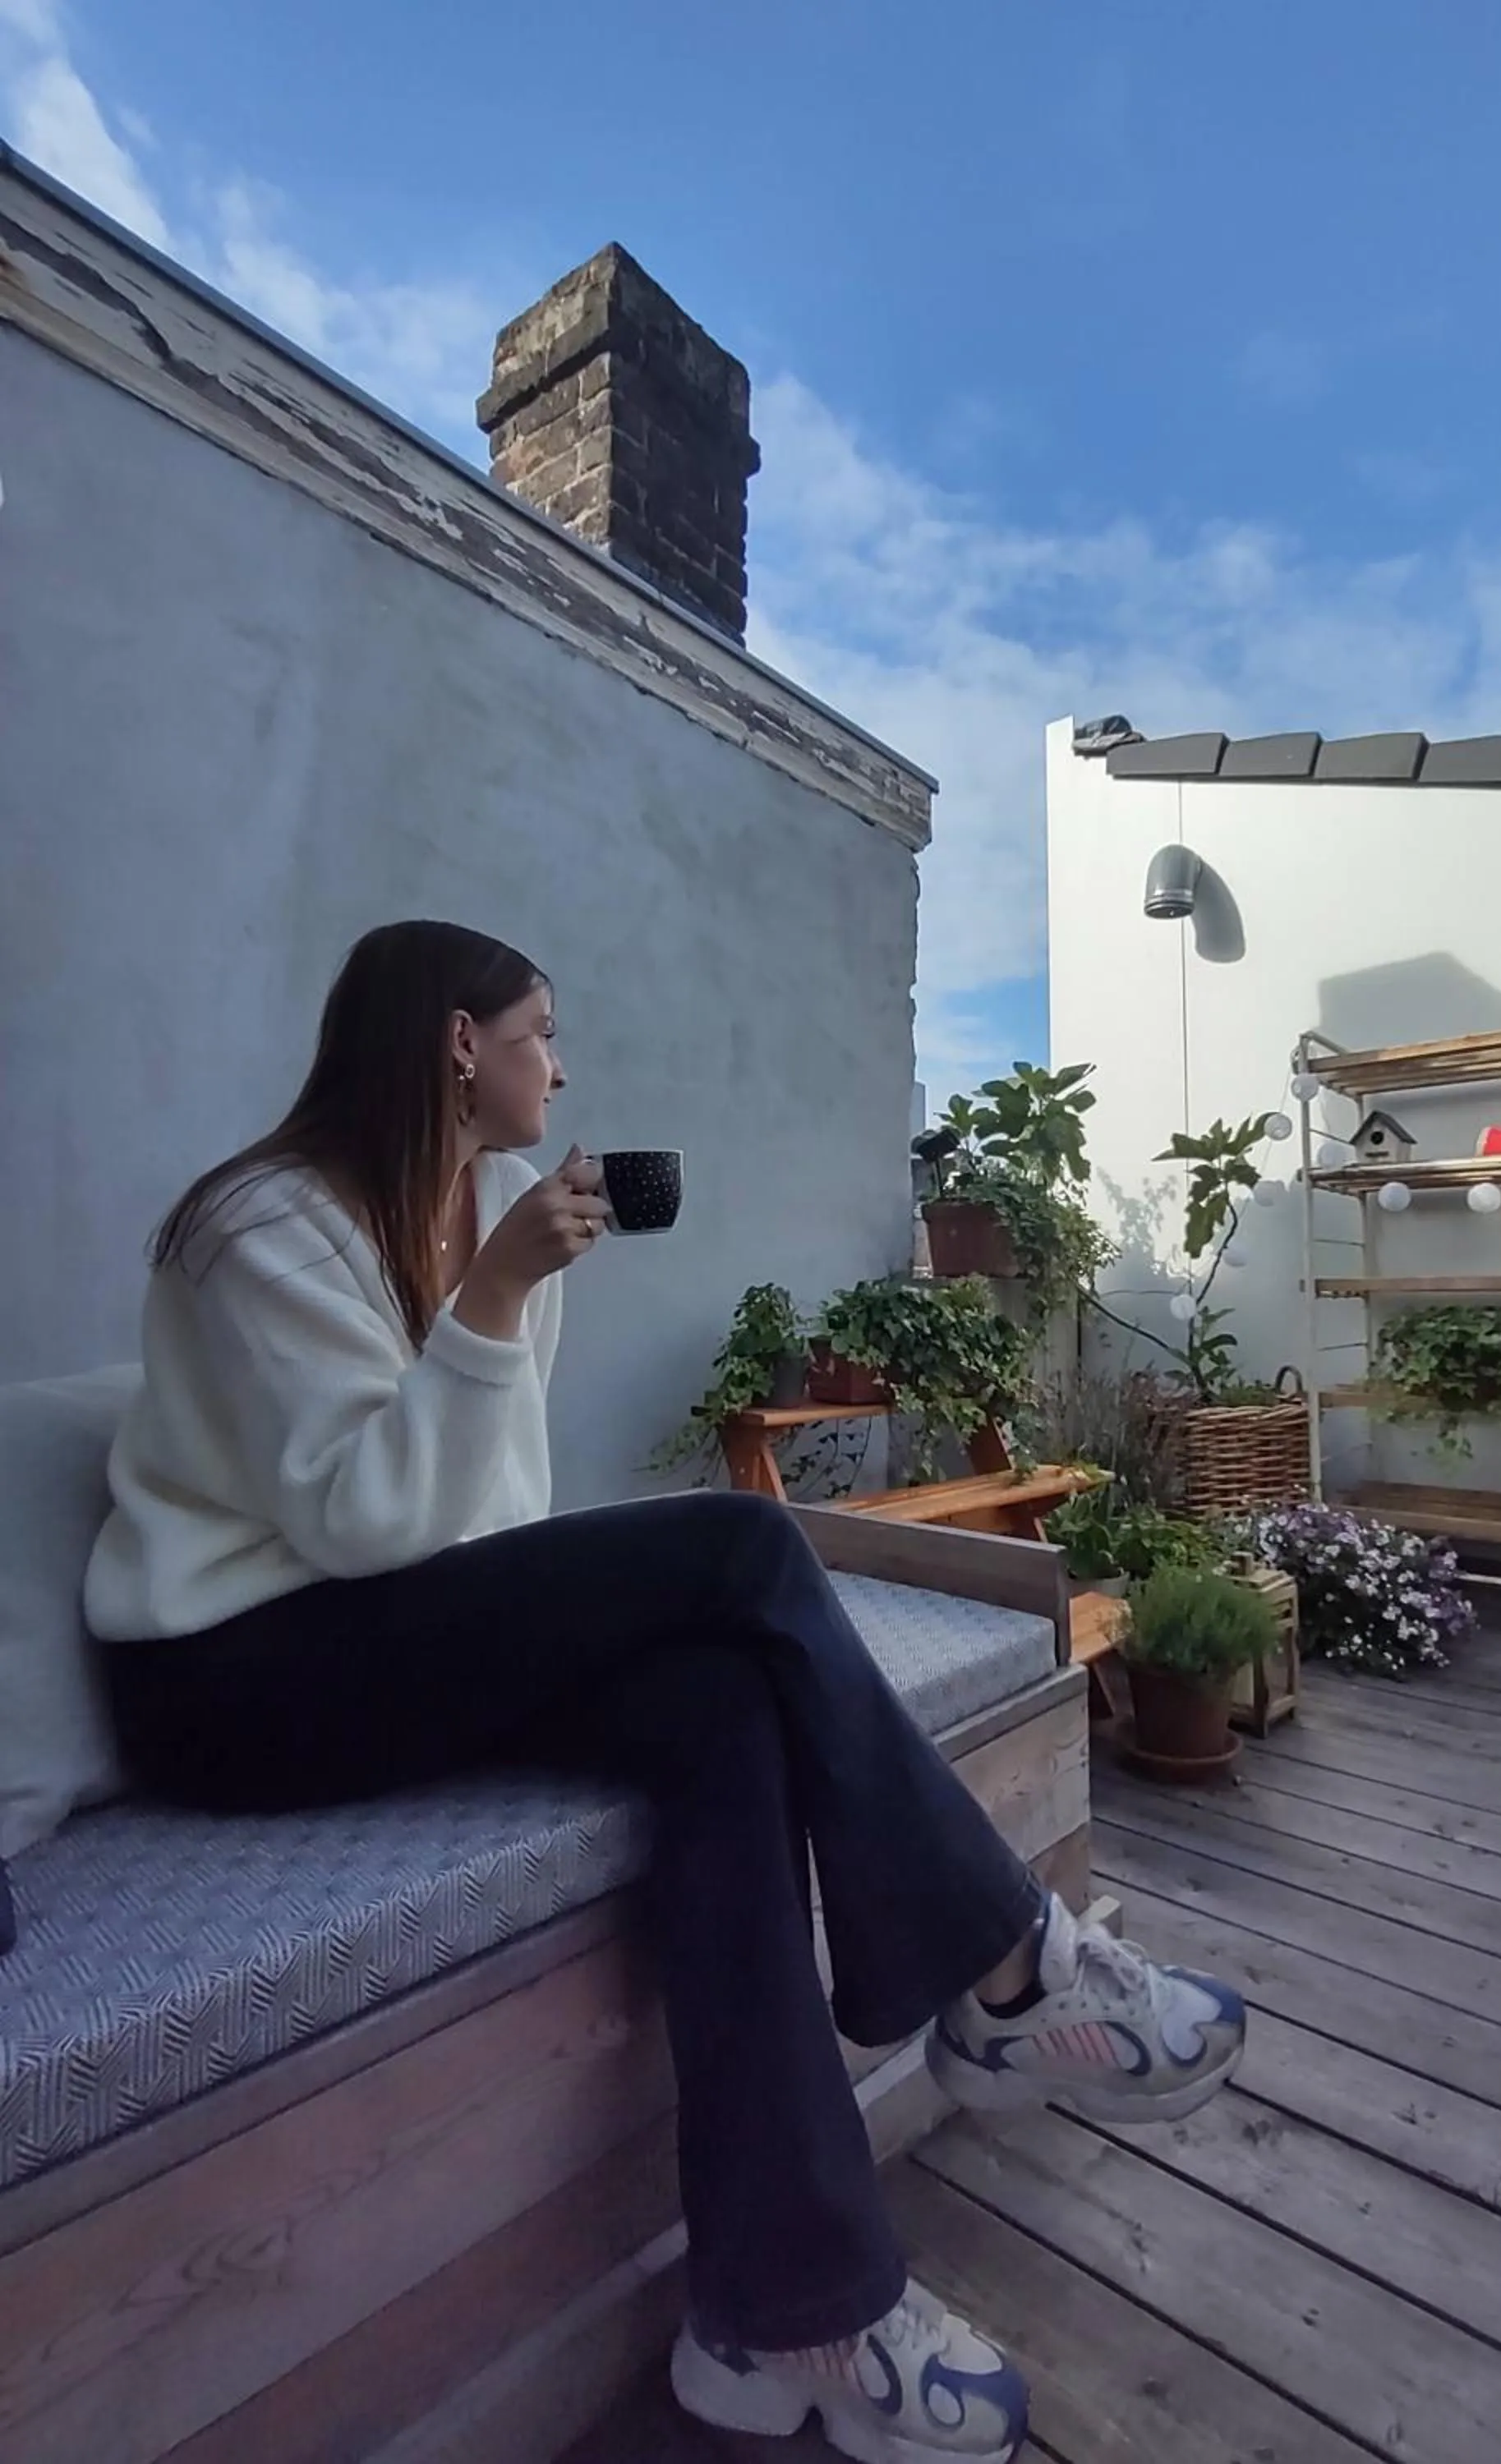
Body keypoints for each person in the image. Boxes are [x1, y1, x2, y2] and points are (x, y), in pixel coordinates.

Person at [85, 920, 1247, 2464]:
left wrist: (509, 1343)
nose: (561, 1069)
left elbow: (476, 1520)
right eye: (541, 1035)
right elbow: (363, 1525)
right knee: (752, 1544)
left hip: (388, 1629)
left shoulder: (491, 1204)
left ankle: (782, 2315)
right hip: (235, 1678)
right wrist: (491, 1304)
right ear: (456, 1046)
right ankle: (1008, 1971)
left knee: (721, 1709)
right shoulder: (260, 1231)